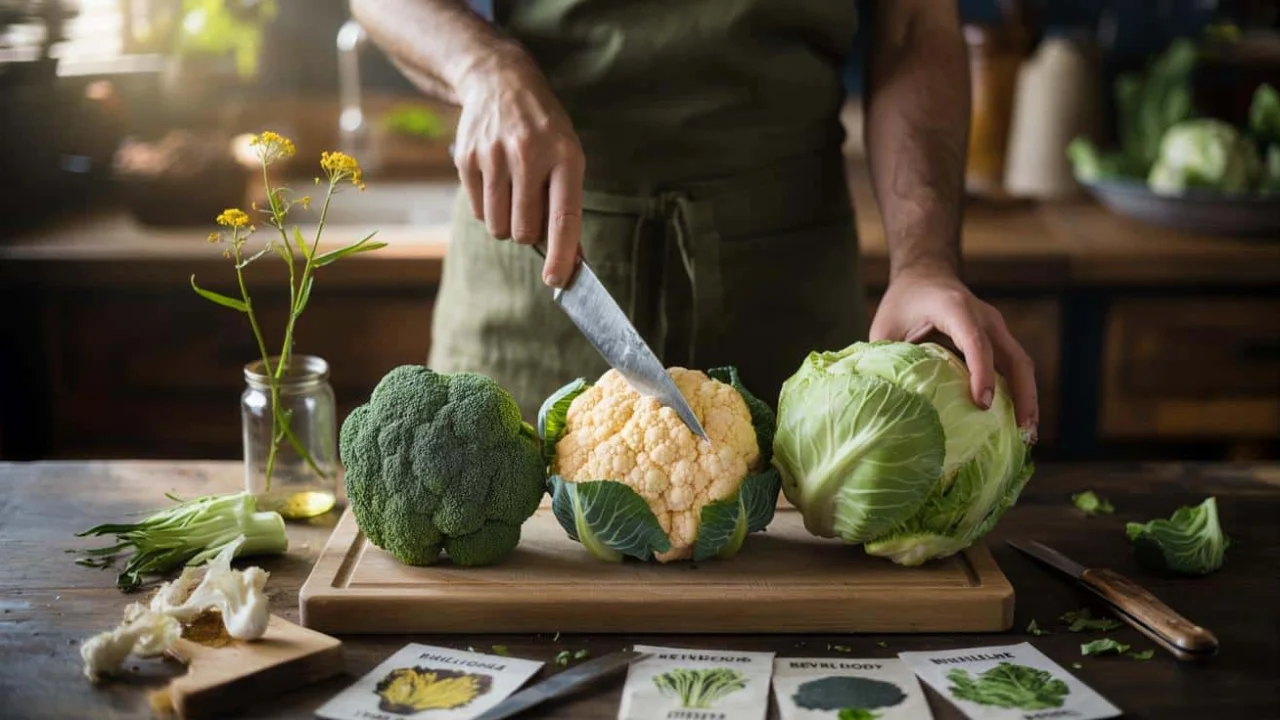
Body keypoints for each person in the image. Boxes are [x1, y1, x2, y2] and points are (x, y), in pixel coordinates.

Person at [350, 0, 1039, 441]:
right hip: (536, 261)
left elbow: (916, 27)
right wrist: (484, 67)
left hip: (783, 288)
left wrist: (923, 262)